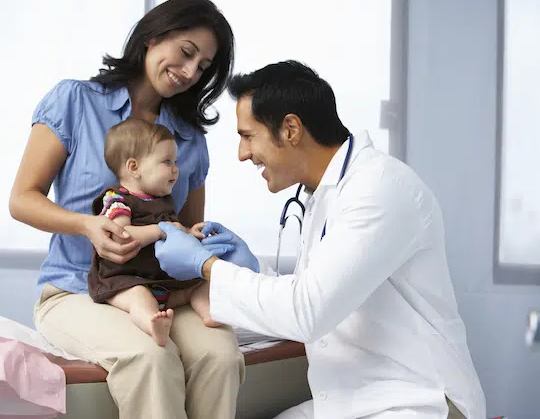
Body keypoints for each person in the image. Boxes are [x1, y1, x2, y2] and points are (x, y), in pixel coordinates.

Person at [153, 61, 487, 419]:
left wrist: (207, 266)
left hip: (418, 404)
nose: (242, 153)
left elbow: (308, 311)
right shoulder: (325, 194)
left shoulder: (379, 188)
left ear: (291, 129)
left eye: (248, 135)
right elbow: (317, 292)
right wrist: (252, 269)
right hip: (355, 402)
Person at [8, 0, 244, 419]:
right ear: (153, 37)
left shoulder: (189, 138)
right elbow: (22, 198)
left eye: (203, 67)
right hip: (76, 289)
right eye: (186, 53)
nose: (190, 72)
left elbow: (186, 231)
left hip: (163, 291)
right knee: (150, 358)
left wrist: (207, 247)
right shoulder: (75, 101)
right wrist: (87, 225)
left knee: (222, 355)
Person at [88, 118, 224, 347]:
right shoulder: (117, 199)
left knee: (200, 284)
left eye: (176, 161)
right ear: (134, 167)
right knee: (140, 298)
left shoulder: (163, 201)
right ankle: (152, 323)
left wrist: (189, 232)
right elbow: (121, 234)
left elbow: (173, 233)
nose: (175, 169)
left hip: (164, 282)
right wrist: (162, 230)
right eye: (167, 161)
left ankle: (209, 312)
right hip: (124, 280)